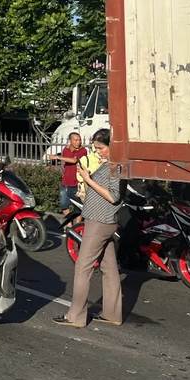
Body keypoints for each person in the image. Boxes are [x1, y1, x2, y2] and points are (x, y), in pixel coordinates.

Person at [55, 129, 122, 328]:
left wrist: (89, 179)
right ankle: (112, 313)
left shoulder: (116, 167)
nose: (98, 152)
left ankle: (76, 316)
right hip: (103, 220)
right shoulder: (110, 164)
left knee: (83, 267)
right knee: (109, 268)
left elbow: (113, 196)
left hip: (100, 221)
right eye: (96, 148)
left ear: (113, 146)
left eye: (101, 148)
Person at [52, 132, 87, 218]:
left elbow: (74, 160)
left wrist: (57, 157)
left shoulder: (83, 151)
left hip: (78, 183)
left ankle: (77, 228)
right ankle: (69, 226)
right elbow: (68, 160)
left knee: (79, 206)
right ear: (70, 141)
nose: (78, 142)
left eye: (79, 140)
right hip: (66, 182)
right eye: (75, 140)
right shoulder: (66, 150)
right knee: (64, 205)